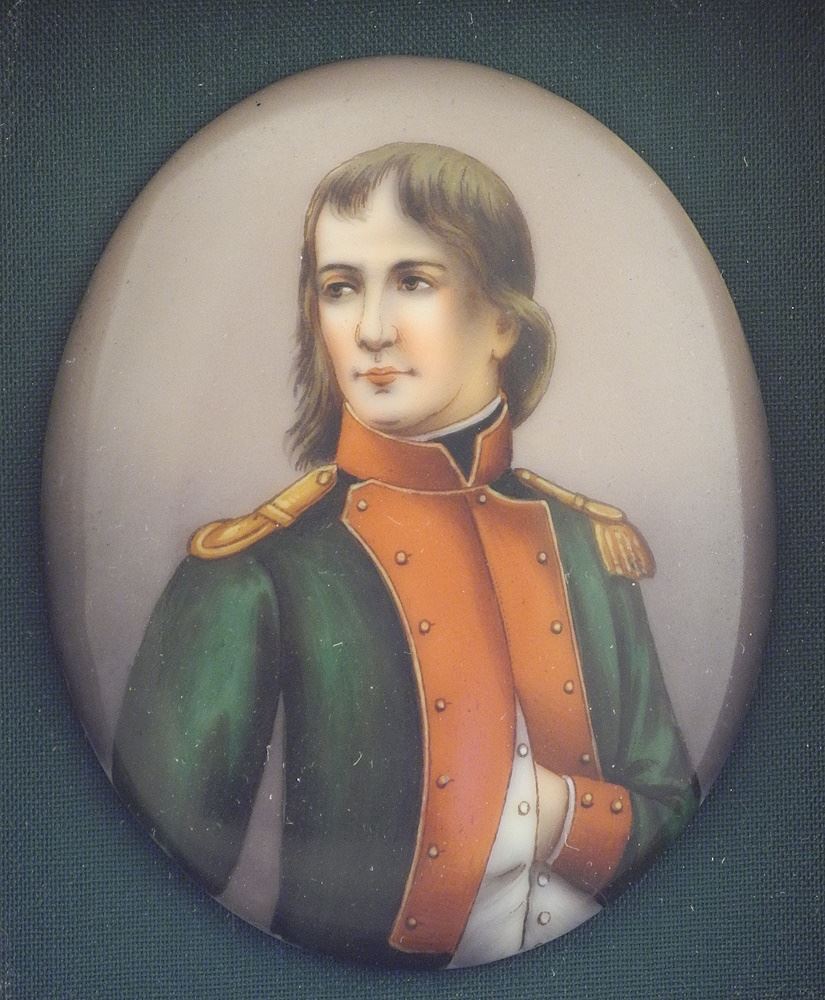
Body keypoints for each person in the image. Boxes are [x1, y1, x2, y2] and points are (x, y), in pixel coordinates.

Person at [113, 142, 699, 968]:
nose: (372, 330)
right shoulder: (256, 570)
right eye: (340, 287)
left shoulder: (586, 545)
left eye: (413, 282)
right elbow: (145, 886)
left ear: (503, 321)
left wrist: (553, 815)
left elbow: (675, 816)